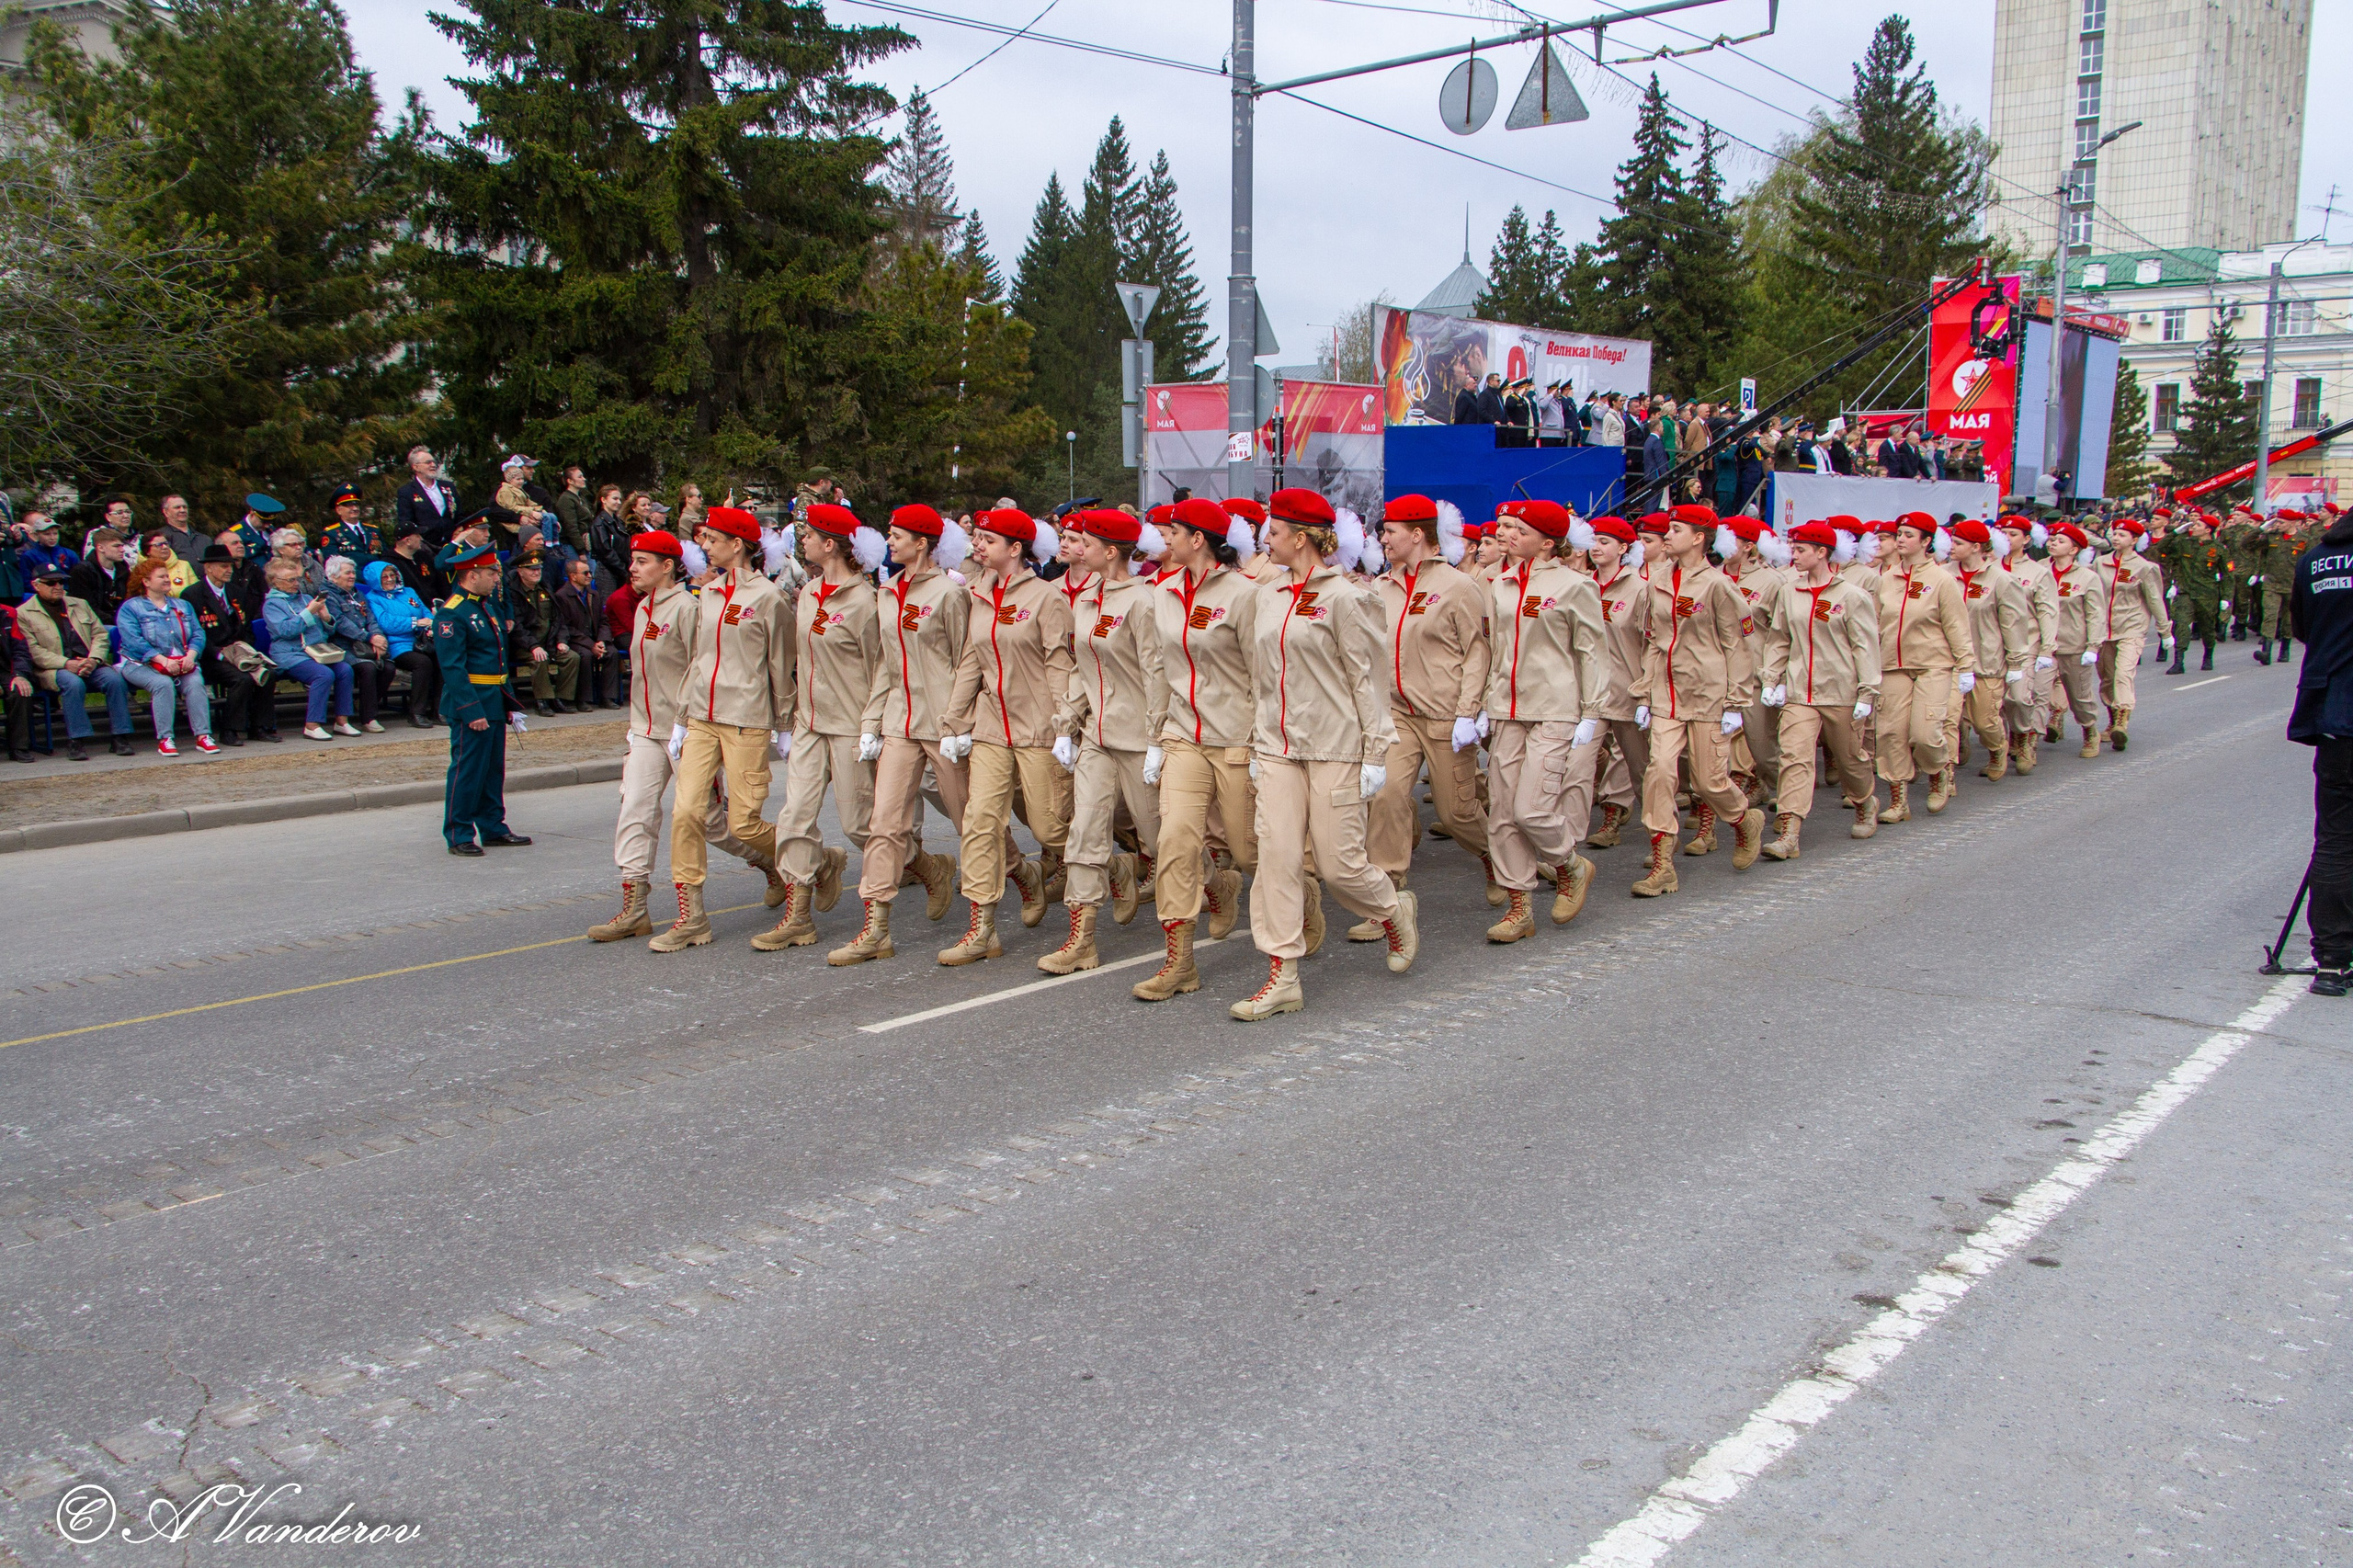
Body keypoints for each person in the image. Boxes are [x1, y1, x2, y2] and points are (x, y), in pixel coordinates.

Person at [1232, 487, 1416, 1021]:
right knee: (1277, 860)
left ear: (1303, 537)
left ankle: (1392, 909)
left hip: (1336, 744)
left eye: (1275, 529)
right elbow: (1258, 676)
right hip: (1278, 746)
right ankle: (1282, 975)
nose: (1266, 536)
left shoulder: (1348, 596)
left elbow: (1368, 678)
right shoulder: (1266, 595)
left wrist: (1376, 751)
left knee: (1339, 865)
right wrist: (1256, 742)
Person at [588, 528, 774, 942]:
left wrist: (688, 722)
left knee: (709, 822)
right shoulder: (641, 610)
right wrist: (637, 724)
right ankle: (635, 907)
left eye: (642, 562)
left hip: (686, 726)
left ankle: (770, 863)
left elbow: (704, 667)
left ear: (668, 566)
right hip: (646, 729)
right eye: (633, 561)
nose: (633, 569)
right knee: (635, 811)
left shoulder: (690, 608)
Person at [1132, 496, 1259, 1002]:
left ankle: (1306, 900)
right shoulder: (1162, 594)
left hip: (1236, 739)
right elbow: (1159, 669)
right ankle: (1180, 961)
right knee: (1176, 843)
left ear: (1199, 539)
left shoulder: (1245, 595)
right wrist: (1156, 736)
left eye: (1173, 531)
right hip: (1183, 735)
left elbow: (1264, 674)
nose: (1165, 539)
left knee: (1249, 850)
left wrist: (1259, 739)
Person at [649, 505, 792, 949]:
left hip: (747, 720)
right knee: (687, 812)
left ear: (738, 544)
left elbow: (781, 663)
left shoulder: (768, 597)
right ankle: (692, 917)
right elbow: (698, 660)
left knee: (745, 823)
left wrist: (783, 724)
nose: (704, 546)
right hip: (702, 720)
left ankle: (813, 861)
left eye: (713, 539)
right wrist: (680, 719)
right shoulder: (707, 595)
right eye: (704, 539)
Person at [934, 507, 1072, 966]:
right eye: (977, 538)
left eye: (989, 540)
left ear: (1016, 549)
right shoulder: (978, 594)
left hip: (1038, 729)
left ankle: (1111, 869)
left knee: (1050, 825)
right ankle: (982, 929)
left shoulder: (1047, 598)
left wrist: (1064, 726)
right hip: (992, 727)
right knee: (980, 823)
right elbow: (972, 661)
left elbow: (1058, 664)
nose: (978, 545)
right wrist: (955, 721)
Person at [1034, 506, 1165, 973]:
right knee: (1084, 834)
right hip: (1097, 738)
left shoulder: (1144, 601)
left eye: (1085, 543)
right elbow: (1080, 668)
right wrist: (1068, 723)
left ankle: (1216, 887)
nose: (1075, 548)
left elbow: (1155, 673)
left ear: (1111, 551)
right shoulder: (1087, 598)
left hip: (1137, 740)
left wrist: (1156, 738)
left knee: (1159, 839)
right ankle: (1082, 939)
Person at [749, 503, 884, 951]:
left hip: (850, 726)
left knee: (859, 824)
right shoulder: (807, 593)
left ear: (831, 545)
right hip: (810, 723)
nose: (800, 540)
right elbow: (795, 659)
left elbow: (881, 668)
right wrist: (788, 719)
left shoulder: (865, 602)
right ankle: (798, 915)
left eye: (808, 535)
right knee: (795, 818)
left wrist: (871, 725)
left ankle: (927, 867)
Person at [1479, 498, 1605, 941]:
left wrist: (1592, 711)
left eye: (1520, 530)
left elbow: (1592, 652)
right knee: (1502, 814)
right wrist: (1481, 705)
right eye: (1507, 527)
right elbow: (1495, 651)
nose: (1507, 534)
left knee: (1532, 809)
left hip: (1555, 709)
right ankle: (1520, 908)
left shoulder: (1575, 586)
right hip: (1507, 709)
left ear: (1548, 543)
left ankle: (1570, 864)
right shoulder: (1500, 584)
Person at [1365, 494, 1496, 915]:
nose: (1382, 539)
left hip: (1444, 714)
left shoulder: (1459, 587)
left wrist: (1468, 711)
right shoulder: (1380, 587)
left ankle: (1500, 860)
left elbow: (1479, 651)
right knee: (1385, 797)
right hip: (1397, 713)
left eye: (1391, 532)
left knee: (1456, 812)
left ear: (1418, 534)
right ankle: (1388, 899)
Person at [1631, 505, 1765, 894]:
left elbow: (1738, 645)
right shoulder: (1656, 580)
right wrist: (1644, 691)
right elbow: (1654, 641)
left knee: (1708, 781)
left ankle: (1743, 821)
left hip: (1709, 695)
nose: (1667, 535)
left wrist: (1736, 702)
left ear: (1698, 538)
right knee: (1659, 772)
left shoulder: (1718, 585)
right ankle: (1662, 866)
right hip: (1666, 694)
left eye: (1675, 529)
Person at [1756, 519, 1882, 858]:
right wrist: (1772, 678)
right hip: (1800, 693)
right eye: (1792, 548)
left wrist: (1867, 693)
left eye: (1800, 550)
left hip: (1841, 692)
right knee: (1794, 757)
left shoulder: (1852, 596)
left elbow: (1865, 647)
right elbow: (1780, 638)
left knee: (1850, 759)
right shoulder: (1788, 591)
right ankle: (1789, 832)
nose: (1792, 555)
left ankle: (1864, 801)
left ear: (1822, 552)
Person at [2288, 504, 2353, 994]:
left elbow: (2304, 630)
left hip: (2333, 714)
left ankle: (2330, 958)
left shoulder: (2317, 559)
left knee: (2334, 837)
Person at [432, 542, 529, 856]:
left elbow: (498, 660)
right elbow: (453, 668)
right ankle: (459, 833)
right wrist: (470, 709)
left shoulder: (485, 607)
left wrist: (509, 703)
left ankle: (493, 827)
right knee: (467, 770)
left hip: (494, 698)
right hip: (472, 702)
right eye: (490, 572)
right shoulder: (452, 613)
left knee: (492, 770)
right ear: (472, 575)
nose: (496, 578)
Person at [1584, 515, 1651, 851]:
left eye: (1605, 542)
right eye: (1594, 540)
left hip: (1629, 690)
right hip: (1590, 694)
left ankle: (1660, 836)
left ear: (1624, 548)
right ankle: (1599, 824)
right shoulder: (1582, 584)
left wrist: (1648, 693)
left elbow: (1653, 644)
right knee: (1577, 766)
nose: (1596, 547)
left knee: (1641, 769)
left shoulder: (1640, 589)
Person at [1946, 521, 2032, 782]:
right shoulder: (1943, 574)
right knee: (1946, 720)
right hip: (1949, 662)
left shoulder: (2001, 580)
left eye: (1958, 543)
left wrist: (2016, 662)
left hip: (1986, 662)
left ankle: (1997, 748)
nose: (1951, 546)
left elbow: (2014, 623)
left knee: (1984, 721)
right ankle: (1944, 776)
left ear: (1976, 547)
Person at [19, 570, 134, 759]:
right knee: (73, 684)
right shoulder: (24, 613)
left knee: (114, 680)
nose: (58, 587)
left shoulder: (79, 604)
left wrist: (94, 658)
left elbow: (100, 634)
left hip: (89, 662)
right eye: (51, 583)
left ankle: (120, 736)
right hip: (54, 667)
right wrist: (66, 663)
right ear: (35, 585)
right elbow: (33, 651)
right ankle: (76, 740)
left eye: (61, 582)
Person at [115, 558, 220, 756]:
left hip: (182, 662)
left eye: (167, 575)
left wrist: (191, 656)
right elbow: (133, 641)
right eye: (161, 576)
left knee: (196, 683)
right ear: (146, 581)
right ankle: (165, 739)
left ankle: (203, 736)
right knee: (162, 684)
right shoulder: (131, 608)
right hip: (141, 664)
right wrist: (162, 660)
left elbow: (198, 633)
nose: (167, 579)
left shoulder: (182, 606)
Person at [185, 542, 280, 744]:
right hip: (211, 655)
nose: (229, 570)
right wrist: (221, 654)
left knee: (268, 674)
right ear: (208, 568)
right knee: (241, 679)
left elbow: (246, 629)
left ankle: (259, 727)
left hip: (239, 651)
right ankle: (229, 730)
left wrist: (247, 651)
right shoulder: (192, 594)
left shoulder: (237, 592)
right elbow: (195, 633)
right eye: (223, 566)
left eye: (230, 565)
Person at [262, 557, 358, 741]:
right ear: (275, 582)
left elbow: (325, 631)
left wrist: (326, 618)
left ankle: (342, 721)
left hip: (317, 651)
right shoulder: (272, 605)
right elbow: (286, 631)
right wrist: (308, 612)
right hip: (290, 653)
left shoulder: (306, 598)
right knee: (323, 674)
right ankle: (312, 725)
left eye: (297, 579)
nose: (296, 584)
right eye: (290, 580)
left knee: (345, 670)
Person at [2095, 518, 2166, 751]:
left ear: (2135, 540)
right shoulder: (2100, 563)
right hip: (2104, 630)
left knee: (2123, 674)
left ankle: (2122, 723)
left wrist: (2165, 630)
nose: (2116, 538)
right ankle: (2112, 719)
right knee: (2107, 678)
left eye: (2123, 535)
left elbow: (2154, 598)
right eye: (2114, 533)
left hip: (2132, 627)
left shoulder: (2144, 567)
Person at [2043, 521, 2109, 759]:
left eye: (2060, 541)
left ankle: (2090, 730)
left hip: (2073, 645)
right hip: (2043, 646)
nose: (2053, 543)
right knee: (2035, 694)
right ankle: (2027, 742)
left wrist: (2093, 645)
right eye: (2052, 539)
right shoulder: (2040, 570)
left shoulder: (2087, 577)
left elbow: (2095, 613)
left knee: (2079, 696)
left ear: (2074, 550)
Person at [363, 560, 440, 726]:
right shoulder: (373, 598)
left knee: (442, 658)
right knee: (423, 663)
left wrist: (431, 623)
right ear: (375, 579)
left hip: (421, 640)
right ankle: (416, 713)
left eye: (392, 575)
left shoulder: (409, 592)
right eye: (384, 577)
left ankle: (439, 710)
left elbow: (426, 612)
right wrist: (415, 623)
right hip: (397, 645)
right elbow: (385, 623)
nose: (390, 579)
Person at [503, 555, 580, 716]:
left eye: (539, 569)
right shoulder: (514, 593)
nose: (537, 572)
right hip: (524, 645)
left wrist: (561, 640)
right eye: (531, 570)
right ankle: (543, 700)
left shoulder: (545, 589)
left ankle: (561, 698)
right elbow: (517, 628)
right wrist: (533, 646)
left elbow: (558, 619)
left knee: (571, 657)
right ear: (520, 571)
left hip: (549, 641)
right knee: (539, 659)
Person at [321, 555, 391, 732]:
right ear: (334, 576)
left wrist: (377, 637)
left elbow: (371, 618)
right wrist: (368, 637)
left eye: (353, 572)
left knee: (388, 668)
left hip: (366, 644)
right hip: (343, 646)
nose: (352, 576)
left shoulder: (358, 593)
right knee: (368, 668)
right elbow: (341, 624)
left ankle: (365, 705)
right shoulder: (328, 596)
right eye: (347, 573)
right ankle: (369, 718)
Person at [2160, 512, 2224, 673]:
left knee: (2207, 628)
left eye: (2198, 525)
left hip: (2207, 594)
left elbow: (2227, 575)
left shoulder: (2218, 549)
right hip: (2185, 592)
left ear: (2208, 530)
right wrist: (2175, 533)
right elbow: (2160, 548)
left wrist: (2226, 598)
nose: (2193, 526)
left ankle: (2208, 655)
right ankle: (2178, 661)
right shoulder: (2185, 543)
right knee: (2181, 624)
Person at [554, 557, 616, 708]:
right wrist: (591, 645)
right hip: (576, 641)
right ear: (573, 576)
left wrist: (602, 640)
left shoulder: (593, 595)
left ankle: (608, 697)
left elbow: (603, 621)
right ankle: (583, 698)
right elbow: (566, 626)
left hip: (595, 639)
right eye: (585, 573)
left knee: (612, 653)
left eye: (590, 573)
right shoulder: (562, 596)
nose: (590, 576)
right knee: (585, 655)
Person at [2256, 509, 2313, 665]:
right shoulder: (2272, 536)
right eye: (2277, 521)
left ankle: (2285, 649)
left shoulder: (2305, 540)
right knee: (2269, 615)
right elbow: (2247, 543)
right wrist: (2262, 528)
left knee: (2288, 619)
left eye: (2281, 522)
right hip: (2272, 583)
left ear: (2292, 523)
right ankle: (2266, 651)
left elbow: (2310, 562)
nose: (2278, 524)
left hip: (2293, 585)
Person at [395, 446, 460, 545]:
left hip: (452, 543)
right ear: (416, 467)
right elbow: (406, 522)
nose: (433, 465)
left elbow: (459, 514)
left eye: (434, 462)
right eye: (428, 462)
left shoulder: (448, 487)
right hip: (426, 547)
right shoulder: (406, 492)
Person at [66, 527, 132, 623]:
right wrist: (118, 621)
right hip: (93, 623)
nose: (122, 550)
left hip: (121, 620)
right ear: (100, 547)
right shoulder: (82, 571)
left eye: (122, 546)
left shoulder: (123, 568)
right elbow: (86, 608)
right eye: (116, 546)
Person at [15, 513, 77, 584]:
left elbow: (77, 580)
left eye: (55, 533)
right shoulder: (29, 556)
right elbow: (26, 582)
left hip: (65, 593)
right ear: (36, 534)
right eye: (47, 534)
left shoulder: (69, 554)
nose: (52, 538)